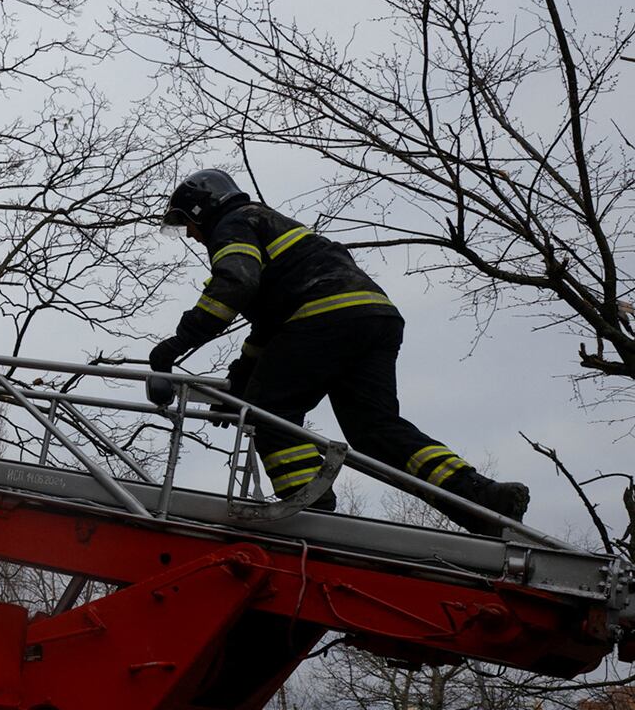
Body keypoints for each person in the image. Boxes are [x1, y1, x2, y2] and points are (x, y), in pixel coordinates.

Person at [149, 170, 531, 535]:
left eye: (188, 224)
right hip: (372, 317)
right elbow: (269, 328)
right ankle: (480, 497)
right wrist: (239, 382)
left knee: (269, 414)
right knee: (376, 430)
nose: (194, 236)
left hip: (322, 317)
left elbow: (235, 282)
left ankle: (311, 514)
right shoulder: (273, 224)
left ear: (203, 208)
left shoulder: (232, 224)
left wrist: (176, 344)